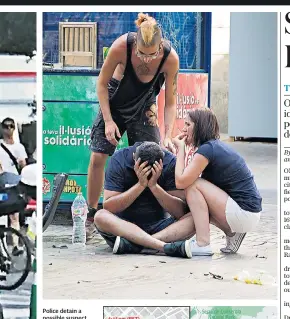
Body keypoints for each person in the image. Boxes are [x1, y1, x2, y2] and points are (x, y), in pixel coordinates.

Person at [87, 13, 180, 238]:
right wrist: (108, 121)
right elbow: (101, 85)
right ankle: (91, 215)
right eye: (141, 53)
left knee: (149, 157)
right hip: (115, 102)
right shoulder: (121, 46)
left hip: (144, 106)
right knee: (98, 157)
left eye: (151, 55)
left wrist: (168, 134)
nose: (146, 59)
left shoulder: (170, 59)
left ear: (160, 48)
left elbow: (170, 102)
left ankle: (146, 214)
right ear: (135, 45)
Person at [171, 107, 263, 255]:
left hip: (245, 212)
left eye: (188, 125)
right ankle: (232, 233)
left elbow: (181, 182)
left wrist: (180, 149)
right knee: (194, 199)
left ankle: (202, 244)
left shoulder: (207, 150)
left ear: (200, 126)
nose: (183, 129)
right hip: (249, 213)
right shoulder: (213, 147)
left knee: (193, 185)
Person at [94, 141, 201, 258]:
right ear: (134, 158)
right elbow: (109, 206)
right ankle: (162, 247)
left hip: (161, 230)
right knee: (100, 216)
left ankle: (139, 245)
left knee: (198, 216)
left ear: (161, 162)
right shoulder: (119, 160)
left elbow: (180, 212)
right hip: (124, 229)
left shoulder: (169, 162)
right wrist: (140, 185)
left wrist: (154, 186)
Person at [0, 117, 28, 254]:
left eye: (11, 126)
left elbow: (24, 167)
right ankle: (4, 247)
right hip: (1, 184)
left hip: (14, 184)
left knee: (14, 216)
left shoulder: (19, 147)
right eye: (6, 126)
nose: (8, 129)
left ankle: (15, 246)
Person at [0, 161, 24, 256]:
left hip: (3, 206)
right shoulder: (13, 177)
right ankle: (15, 245)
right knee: (15, 221)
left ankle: (7, 249)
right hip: (14, 204)